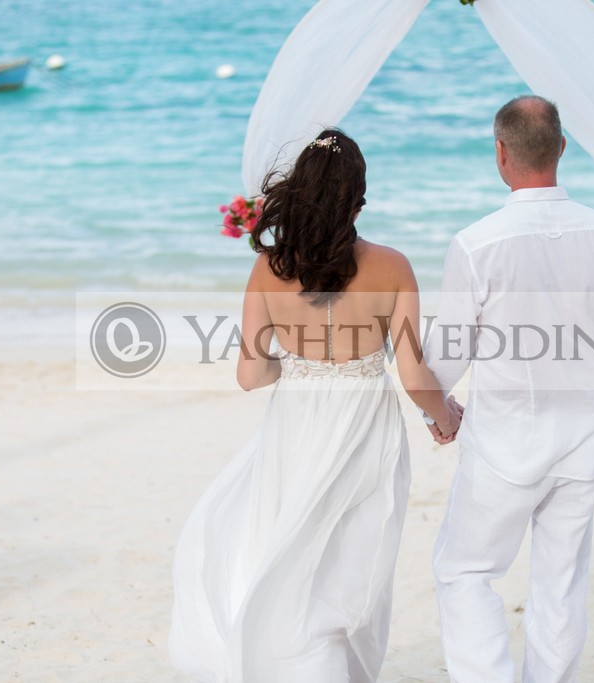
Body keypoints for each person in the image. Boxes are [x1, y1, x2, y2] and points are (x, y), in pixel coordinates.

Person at [169, 129, 462, 682]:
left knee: (291, 550)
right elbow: (412, 373)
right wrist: (444, 416)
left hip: (296, 422)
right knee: (349, 566)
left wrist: (300, 368)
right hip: (364, 423)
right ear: (359, 198)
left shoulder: (269, 269)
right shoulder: (392, 265)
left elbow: (250, 376)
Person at [424, 96, 594, 682]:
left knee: (466, 571)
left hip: (503, 445)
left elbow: (447, 353)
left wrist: (437, 413)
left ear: (500, 152)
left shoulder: (476, 244)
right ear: (563, 148)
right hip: (584, 440)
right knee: (561, 584)